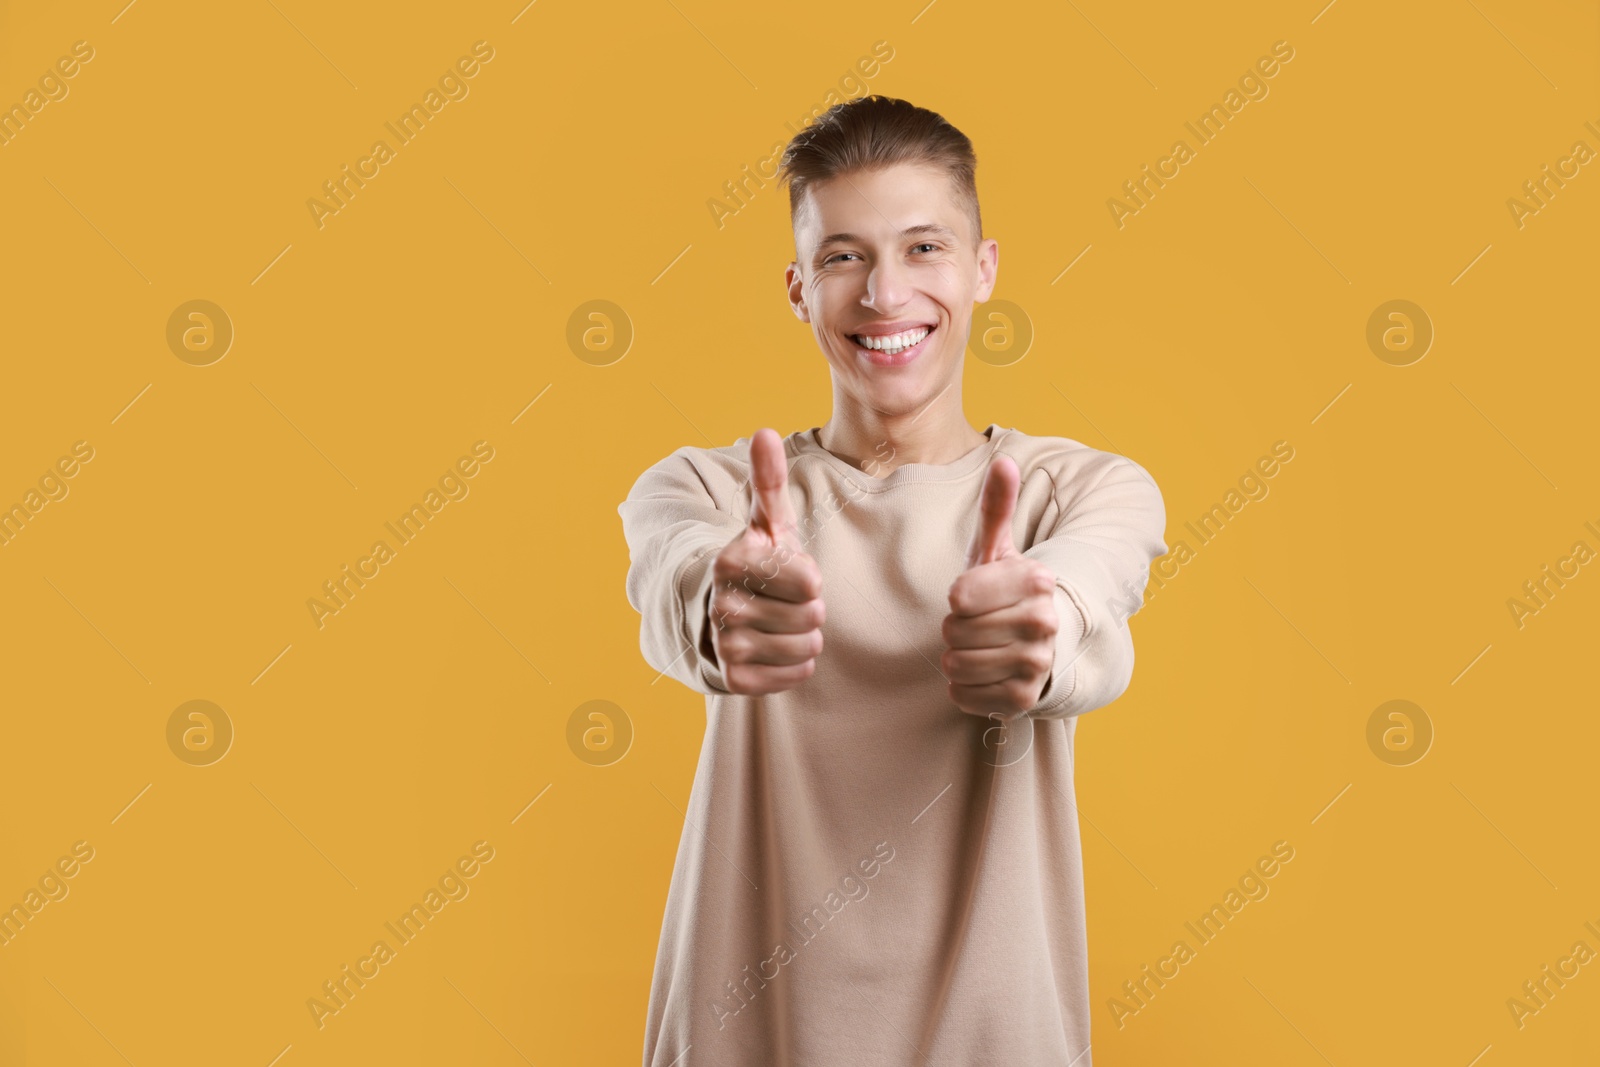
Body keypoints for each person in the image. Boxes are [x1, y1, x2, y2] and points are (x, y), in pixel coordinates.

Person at [618, 94, 1167, 1066]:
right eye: (843, 256)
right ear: (797, 288)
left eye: (923, 247)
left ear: (983, 267)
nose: (882, 293)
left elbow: (1087, 603)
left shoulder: (1077, 491)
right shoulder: (708, 490)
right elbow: (677, 583)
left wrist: (1037, 634)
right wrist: (722, 607)